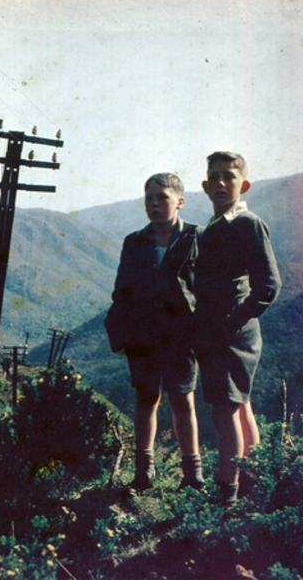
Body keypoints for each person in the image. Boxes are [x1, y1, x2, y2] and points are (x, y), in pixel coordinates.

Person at [105, 172, 204, 492]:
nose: (154, 204)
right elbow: (122, 290)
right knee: (146, 399)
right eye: (149, 198)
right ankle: (143, 473)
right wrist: (120, 330)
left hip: (182, 335)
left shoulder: (196, 237)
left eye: (162, 197)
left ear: (180, 201)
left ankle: (193, 475)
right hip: (144, 336)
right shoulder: (134, 242)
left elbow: (207, 287)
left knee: (183, 400)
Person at [193, 152, 281, 504]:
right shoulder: (216, 226)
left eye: (228, 177)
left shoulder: (247, 224)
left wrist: (232, 322)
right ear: (204, 186)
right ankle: (254, 480)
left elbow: (269, 286)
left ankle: (227, 492)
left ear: (243, 184)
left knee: (224, 408)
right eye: (213, 177)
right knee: (239, 405)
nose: (219, 183)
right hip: (218, 329)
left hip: (231, 331)